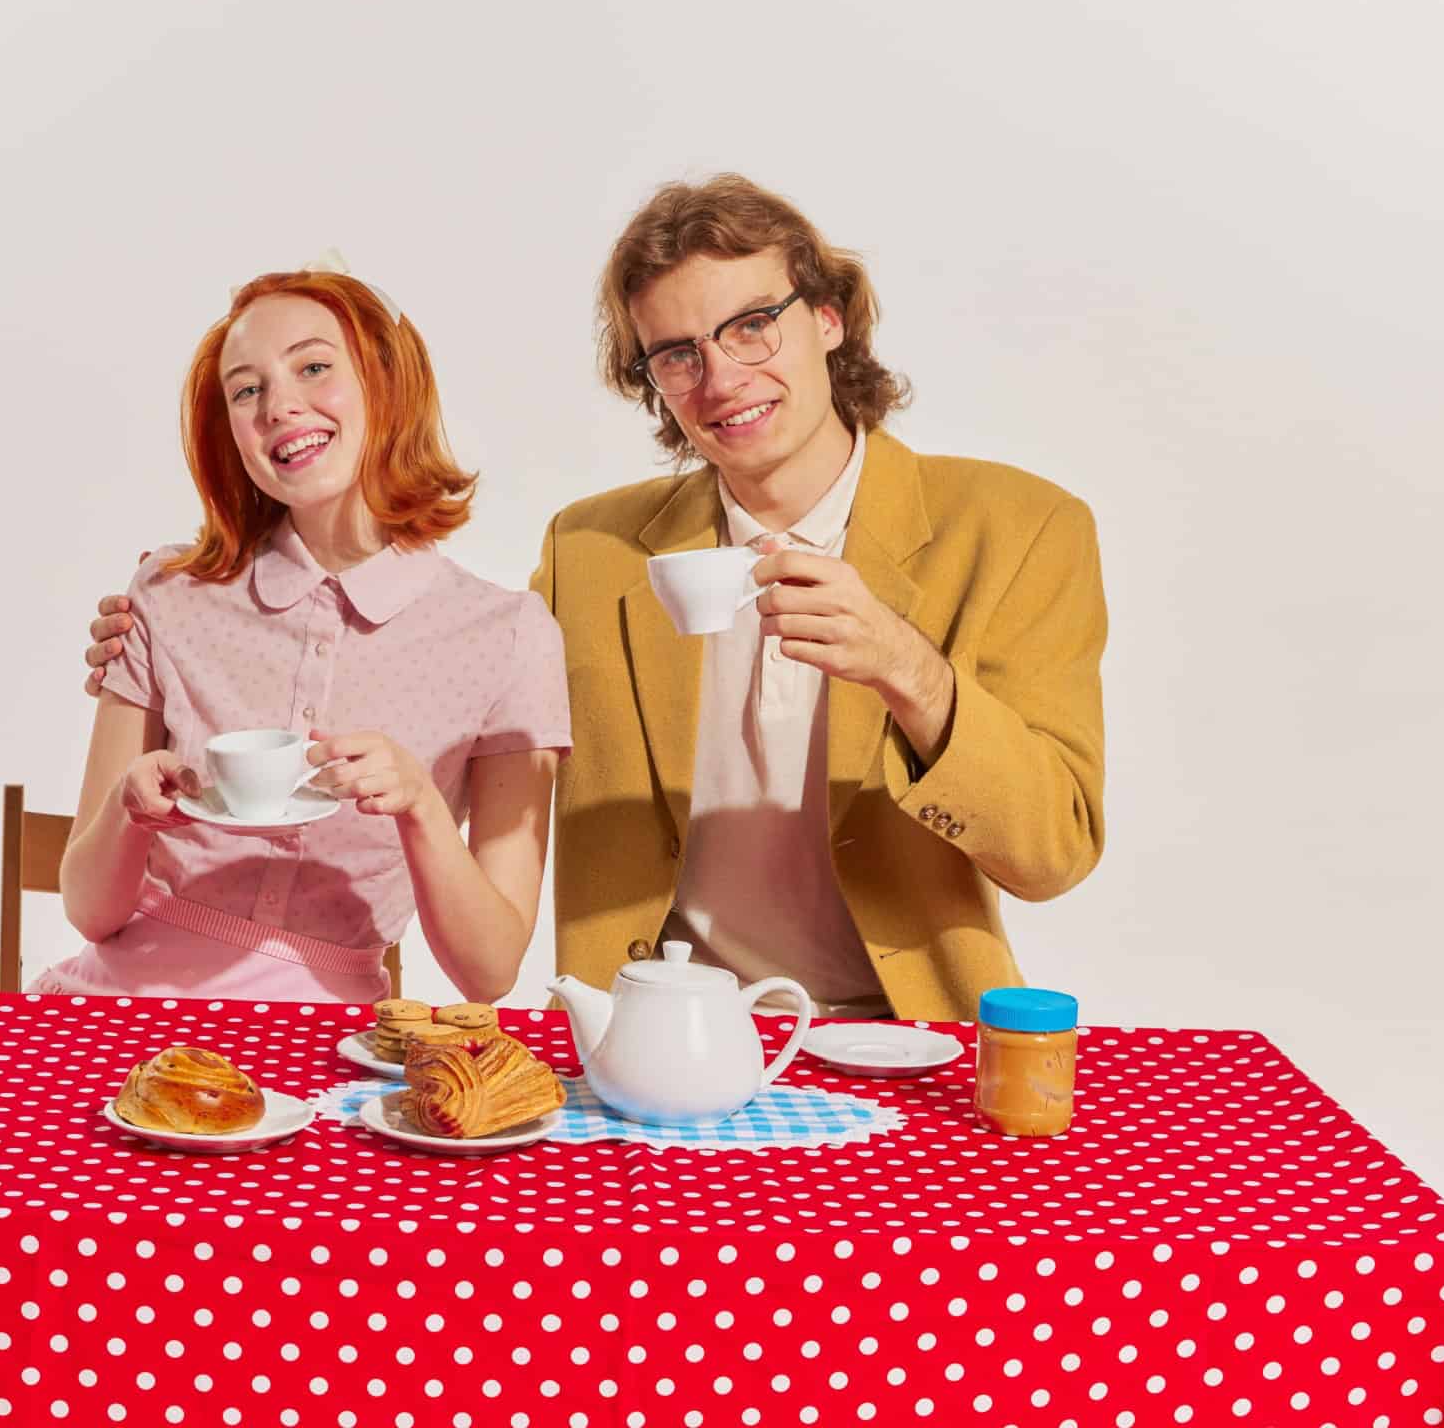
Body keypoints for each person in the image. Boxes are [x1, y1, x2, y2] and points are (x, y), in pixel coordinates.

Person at [89, 179, 1106, 1020]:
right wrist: (174, 613)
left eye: (753, 325)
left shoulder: (1015, 530)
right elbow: (443, 647)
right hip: (649, 1029)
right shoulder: (590, 552)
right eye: (676, 353)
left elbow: (1054, 849)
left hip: (903, 1031)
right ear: (651, 379)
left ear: (828, 319)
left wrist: (905, 667)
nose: (720, 376)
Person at [40, 267, 570, 1005]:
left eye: (314, 367)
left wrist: (419, 802)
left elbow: (490, 971)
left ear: (387, 384)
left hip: (328, 1042)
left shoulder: (510, 637)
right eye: (246, 390)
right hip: (115, 1010)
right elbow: (87, 911)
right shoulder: (166, 592)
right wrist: (129, 813)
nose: (279, 406)